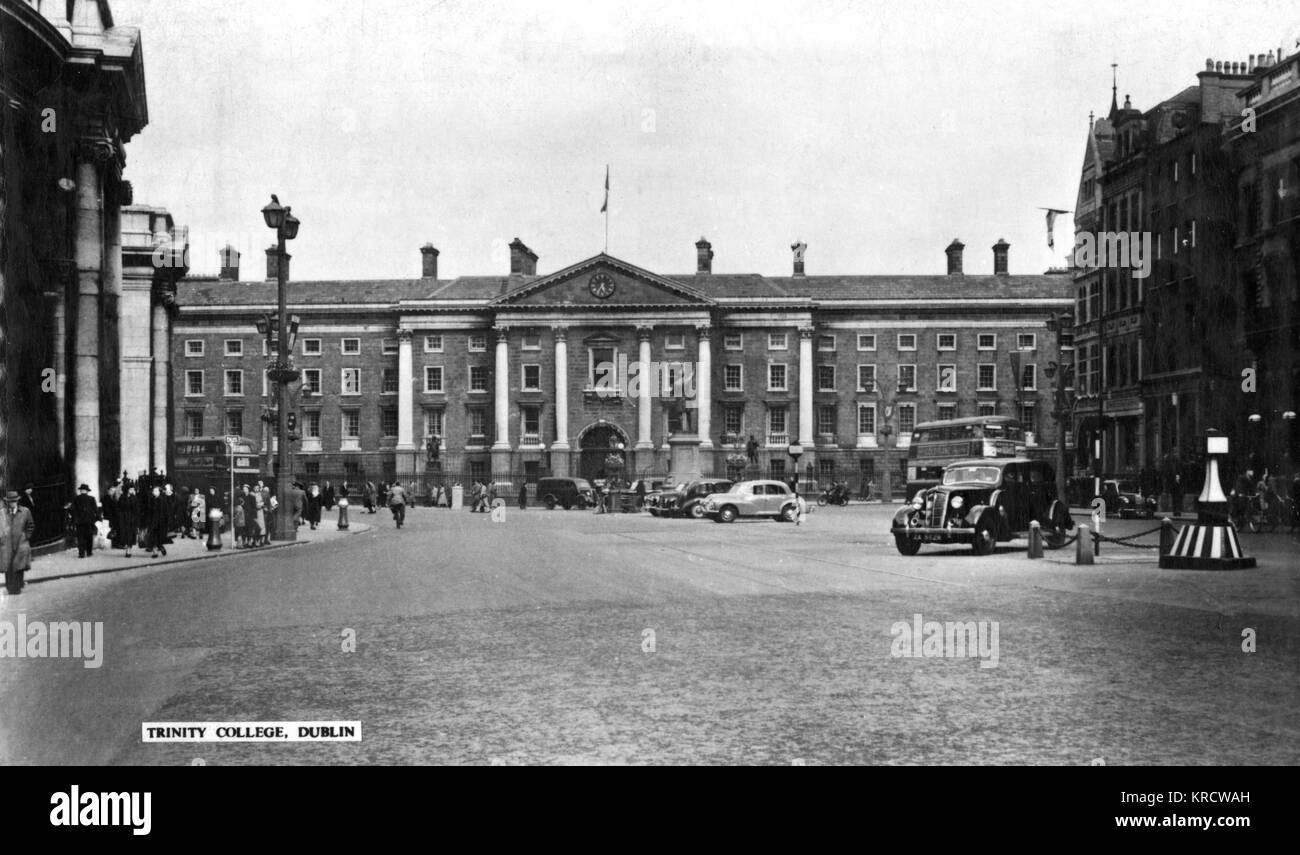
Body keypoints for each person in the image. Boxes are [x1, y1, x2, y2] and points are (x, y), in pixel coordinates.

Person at [2, 490, 36, 594]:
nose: (12, 503)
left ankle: (17, 587)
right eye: (9, 502)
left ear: (17, 501)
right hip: (7, 544)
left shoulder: (25, 511)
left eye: (14, 501)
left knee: (18, 565)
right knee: (8, 566)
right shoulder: (2, 513)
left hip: (21, 542)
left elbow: (30, 524)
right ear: (7, 502)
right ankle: (10, 588)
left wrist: (26, 535)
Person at [72, 483, 99, 559]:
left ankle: (81, 553)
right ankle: (89, 552)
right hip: (89, 521)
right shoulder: (91, 498)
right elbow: (95, 510)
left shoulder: (76, 499)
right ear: (87, 491)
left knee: (80, 537)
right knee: (89, 537)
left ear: (81, 491)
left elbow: (73, 509)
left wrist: (75, 518)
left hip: (79, 521)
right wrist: (97, 518)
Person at [146, 485, 171, 558]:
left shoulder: (163, 500)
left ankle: (160, 546)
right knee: (152, 537)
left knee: (159, 537)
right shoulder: (151, 500)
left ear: (159, 492)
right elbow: (149, 511)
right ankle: (155, 552)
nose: (154, 492)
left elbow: (166, 512)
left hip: (161, 522)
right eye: (153, 491)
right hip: (153, 522)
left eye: (156, 491)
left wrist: (167, 522)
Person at [117, 485, 140, 558]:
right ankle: (127, 547)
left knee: (130, 535)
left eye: (133, 489)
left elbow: (137, 509)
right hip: (124, 519)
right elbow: (119, 508)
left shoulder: (134, 498)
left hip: (132, 520)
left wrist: (137, 520)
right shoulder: (122, 497)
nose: (132, 490)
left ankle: (128, 550)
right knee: (125, 535)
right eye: (131, 489)